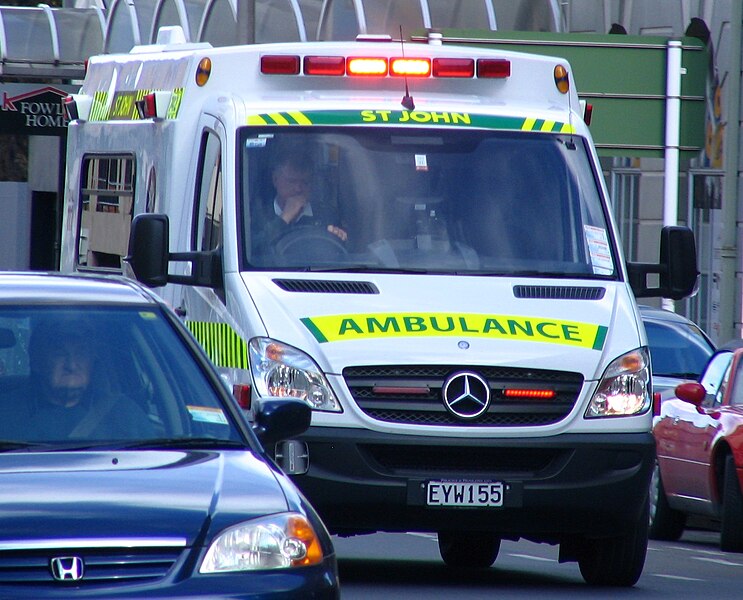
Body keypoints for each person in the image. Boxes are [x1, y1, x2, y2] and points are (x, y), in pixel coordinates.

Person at [24, 317, 157, 441]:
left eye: (80, 354)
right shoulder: (6, 413)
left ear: (93, 362)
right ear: (36, 362)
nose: (71, 365)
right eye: (60, 354)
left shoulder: (127, 415)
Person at [252, 151, 347, 255]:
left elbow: (347, 253)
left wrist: (339, 238)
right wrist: (285, 217)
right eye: (291, 181)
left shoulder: (327, 214)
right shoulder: (259, 213)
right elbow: (254, 250)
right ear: (275, 180)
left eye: (305, 182)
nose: (298, 189)